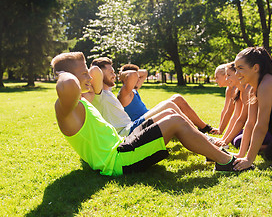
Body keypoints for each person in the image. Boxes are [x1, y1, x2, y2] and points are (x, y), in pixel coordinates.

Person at [51, 52, 244, 176]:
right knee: (175, 121)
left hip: (122, 145)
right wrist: (60, 72)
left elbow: (89, 76)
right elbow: (68, 84)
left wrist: (80, 71)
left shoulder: (82, 102)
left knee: (170, 114)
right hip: (118, 161)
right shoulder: (66, 109)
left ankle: (213, 153)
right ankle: (226, 162)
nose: (89, 77)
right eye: (83, 74)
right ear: (68, 76)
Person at [118, 64, 213, 133]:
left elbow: (145, 72)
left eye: (138, 77)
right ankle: (197, 131)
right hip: (145, 122)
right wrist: (124, 75)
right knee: (174, 101)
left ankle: (203, 127)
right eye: (135, 77)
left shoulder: (134, 89)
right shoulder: (125, 94)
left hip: (150, 114)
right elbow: (134, 76)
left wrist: (127, 73)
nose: (139, 79)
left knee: (177, 98)